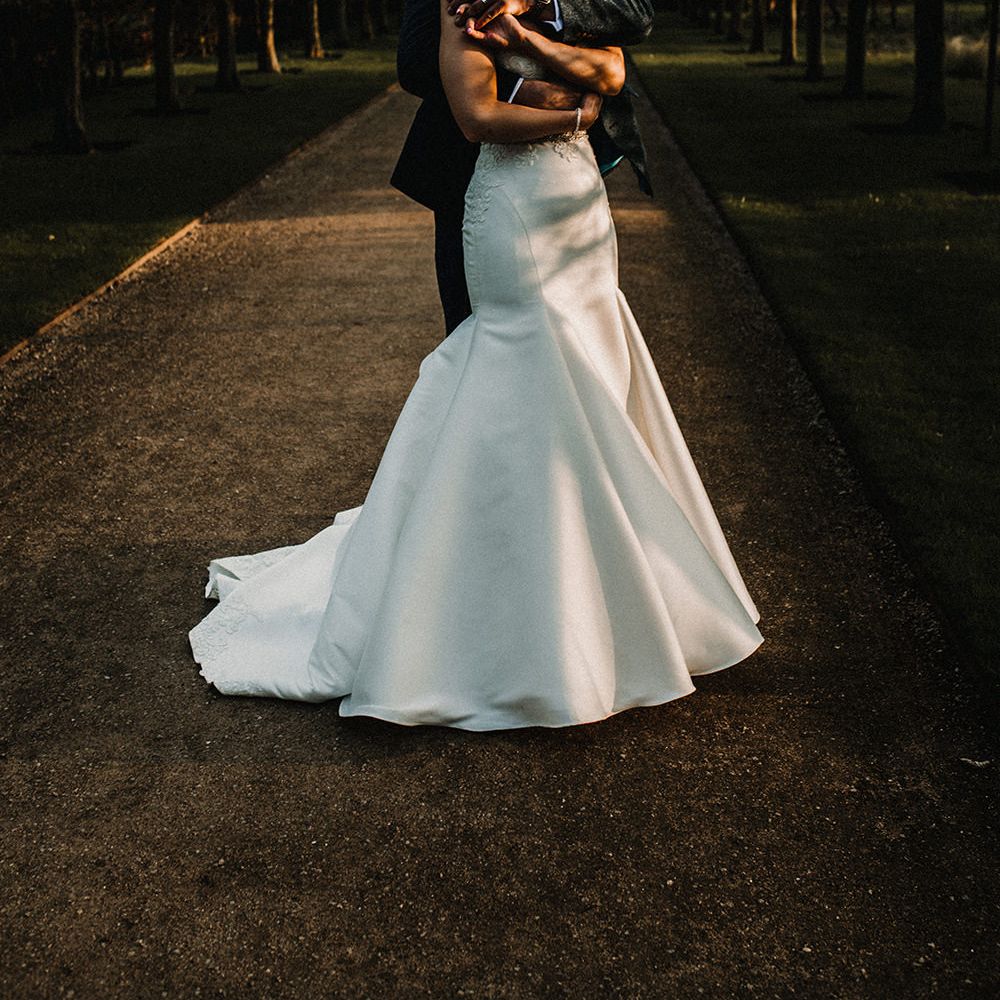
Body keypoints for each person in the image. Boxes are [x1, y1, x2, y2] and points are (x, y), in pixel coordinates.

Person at [187, 0, 765, 730]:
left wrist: (531, 42)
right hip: (508, 197)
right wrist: (573, 108)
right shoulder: (458, 7)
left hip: (577, 201)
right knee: (510, 380)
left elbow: (616, 64)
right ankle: (481, 593)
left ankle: (592, 583)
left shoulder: (565, 6)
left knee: (590, 372)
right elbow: (470, 106)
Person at [392, 0, 654, 334]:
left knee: (585, 321)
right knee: (480, 326)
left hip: (570, 175)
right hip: (471, 170)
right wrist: (518, 91)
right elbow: (415, 61)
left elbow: (634, 19)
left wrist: (536, 9)